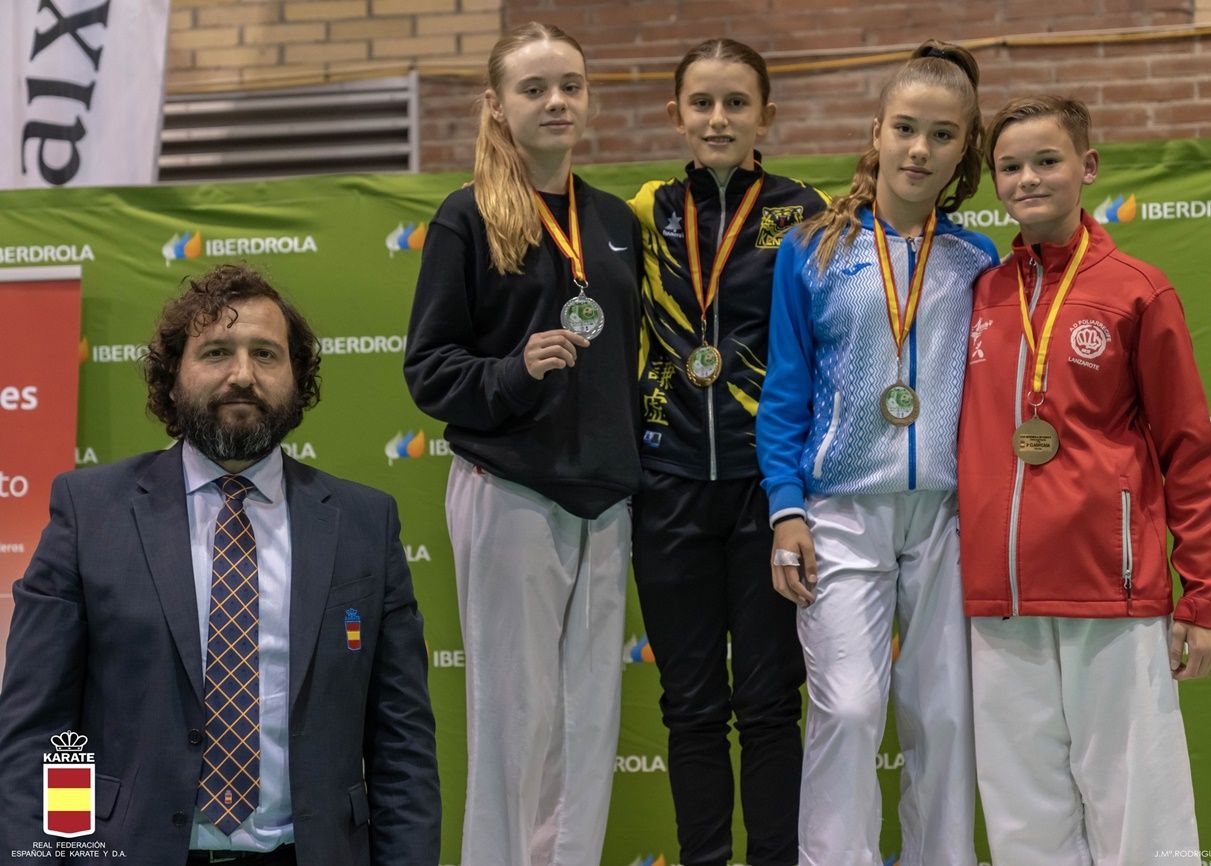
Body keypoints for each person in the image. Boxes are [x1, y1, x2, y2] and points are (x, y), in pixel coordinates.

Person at [0, 263, 441, 866]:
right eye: (216, 352)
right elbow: (44, 731)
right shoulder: (90, 514)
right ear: (174, 375)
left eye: (266, 353)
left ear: (298, 375)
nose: (242, 375)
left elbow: (403, 744)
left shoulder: (365, 523)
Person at [958, 95, 1211, 866]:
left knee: (1137, 806)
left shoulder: (1138, 289)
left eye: (1047, 160)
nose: (1027, 178)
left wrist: (1201, 595)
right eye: (1009, 166)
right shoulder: (979, 291)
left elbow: (1191, 449)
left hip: (1111, 591)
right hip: (999, 598)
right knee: (1022, 818)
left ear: (1088, 167)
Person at [402, 22, 642, 866]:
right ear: (496, 107)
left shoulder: (614, 220)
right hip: (511, 488)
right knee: (516, 715)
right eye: (535, 88)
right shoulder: (467, 217)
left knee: (589, 715)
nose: (556, 102)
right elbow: (428, 371)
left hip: (606, 496)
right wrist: (512, 372)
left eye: (570, 85)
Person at [756, 40, 998, 866]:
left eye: (941, 134)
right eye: (905, 128)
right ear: (877, 131)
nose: (919, 149)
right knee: (851, 709)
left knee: (946, 717)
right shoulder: (814, 252)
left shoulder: (976, 262)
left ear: (965, 147)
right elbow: (784, 394)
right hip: (841, 514)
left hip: (943, 517)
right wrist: (787, 509)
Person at [629, 38, 827, 866]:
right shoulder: (639, 211)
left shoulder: (807, 211)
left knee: (771, 702)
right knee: (692, 706)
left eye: (736, 103)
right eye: (702, 103)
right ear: (675, 114)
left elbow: (825, 345)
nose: (718, 119)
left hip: (765, 485)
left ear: (765, 118)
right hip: (667, 483)